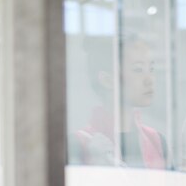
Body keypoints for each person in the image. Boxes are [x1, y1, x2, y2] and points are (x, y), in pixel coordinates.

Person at [69, 36, 168, 169]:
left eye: (151, 69)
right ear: (107, 80)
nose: (150, 79)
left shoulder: (157, 141)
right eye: (138, 69)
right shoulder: (79, 144)